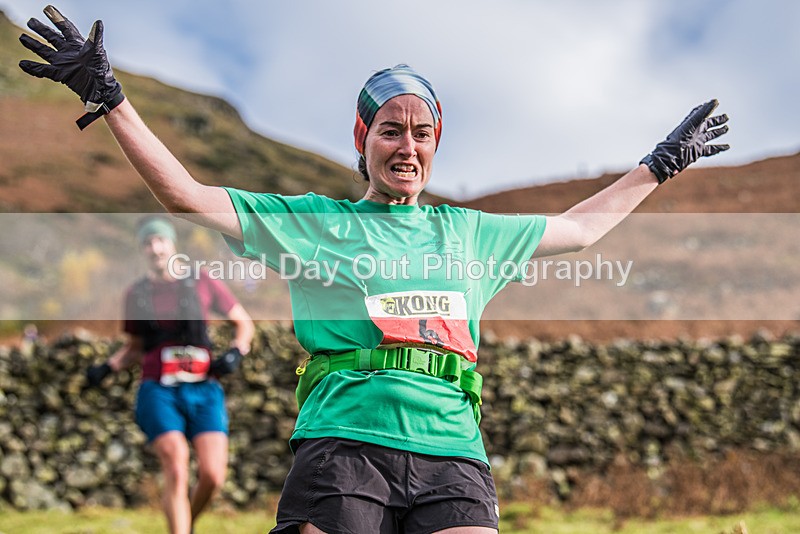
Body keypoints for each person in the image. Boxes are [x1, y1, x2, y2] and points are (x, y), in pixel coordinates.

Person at [20, 6, 729, 533]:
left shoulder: (471, 234)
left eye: (423, 134)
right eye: (391, 130)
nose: (408, 147)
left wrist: (661, 163)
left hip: (454, 452)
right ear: (363, 141)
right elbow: (188, 196)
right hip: (343, 447)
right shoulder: (312, 222)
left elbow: (580, 227)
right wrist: (109, 99)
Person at [85, 215, 255, 534]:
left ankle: (184, 524)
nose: (155, 247)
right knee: (176, 464)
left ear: (172, 244)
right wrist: (107, 368)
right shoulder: (136, 295)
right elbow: (134, 347)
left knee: (213, 475)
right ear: (142, 251)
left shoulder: (202, 281)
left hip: (204, 388)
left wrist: (236, 352)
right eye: (148, 243)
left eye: (160, 240)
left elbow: (244, 324)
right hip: (158, 390)